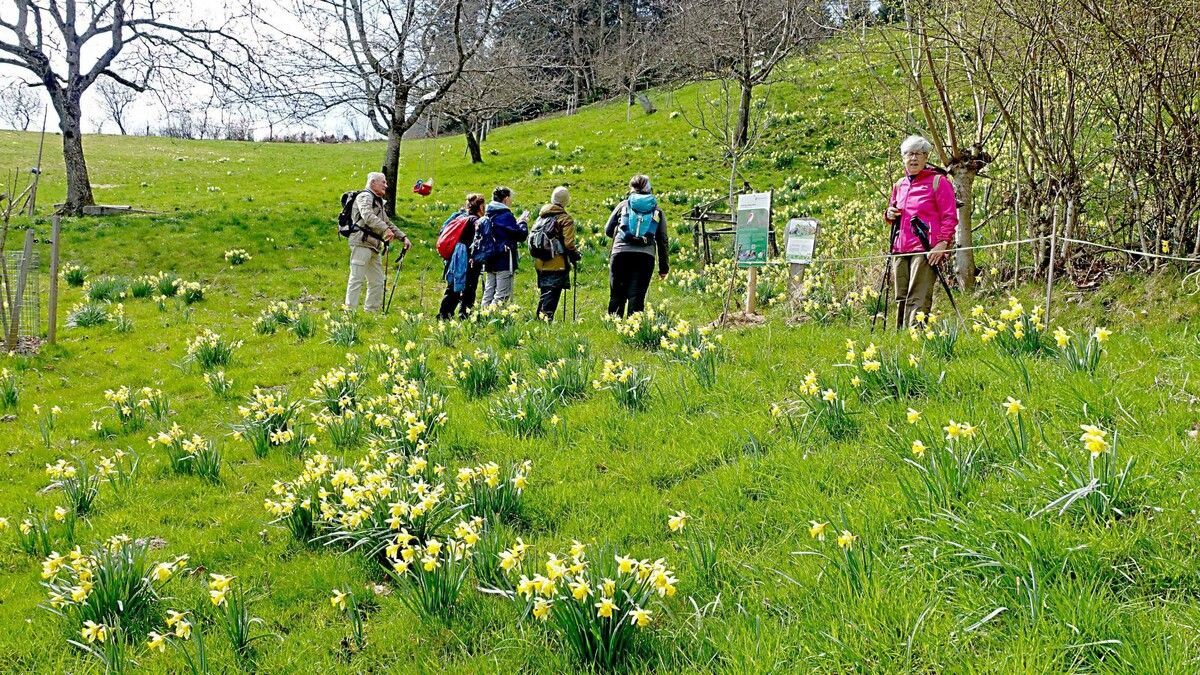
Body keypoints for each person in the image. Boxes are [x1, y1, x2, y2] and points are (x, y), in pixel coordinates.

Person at [884, 135, 958, 329]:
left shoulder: (938, 182)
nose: (914, 158)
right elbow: (893, 212)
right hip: (900, 247)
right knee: (901, 295)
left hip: (925, 248)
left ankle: (916, 336)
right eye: (909, 154)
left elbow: (950, 217)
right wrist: (889, 213)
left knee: (918, 294)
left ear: (926, 158)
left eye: (919, 154)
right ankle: (901, 337)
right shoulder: (899, 185)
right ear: (903, 158)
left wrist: (942, 244)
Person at [604, 174, 669, 317]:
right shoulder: (657, 210)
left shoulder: (623, 205)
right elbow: (662, 240)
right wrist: (664, 268)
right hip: (645, 257)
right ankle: (633, 331)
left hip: (620, 254)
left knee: (616, 295)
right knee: (637, 297)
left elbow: (608, 230)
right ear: (649, 188)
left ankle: (614, 327)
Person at [345, 172, 410, 312]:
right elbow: (367, 216)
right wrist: (385, 230)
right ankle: (349, 313)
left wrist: (403, 237)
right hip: (361, 243)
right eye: (383, 182)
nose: (386, 186)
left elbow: (387, 222)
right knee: (357, 279)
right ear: (373, 183)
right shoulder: (364, 197)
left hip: (374, 247)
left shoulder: (378, 201)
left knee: (377, 281)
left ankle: (371, 313)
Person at [532, 186, 581, 321]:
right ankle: (544, 324)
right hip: (557, 262)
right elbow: (569, 244)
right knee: (551, 296)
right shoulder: (565, 219)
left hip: (540, 262)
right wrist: (576, 255)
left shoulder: (541, 217)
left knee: (544, 294)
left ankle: (539, 322)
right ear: (566, 201)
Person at [438, 194, 486, 320]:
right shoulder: (475, 221)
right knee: (469, 287)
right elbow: (476, 241)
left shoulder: (460, 217)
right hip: (468, 257)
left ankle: (444, 314)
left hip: (455, 256)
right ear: (480, 207)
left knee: (453, 286)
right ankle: (465, 314)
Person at [479, 186, 529, 308]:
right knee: (502, 295)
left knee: (489, 292)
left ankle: (481, 317)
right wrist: (523, 222)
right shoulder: (505, 215)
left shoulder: (488, 214)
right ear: (506, 199)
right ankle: (493, 319)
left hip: (489, 258)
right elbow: (520, 235)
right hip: (504, 259)